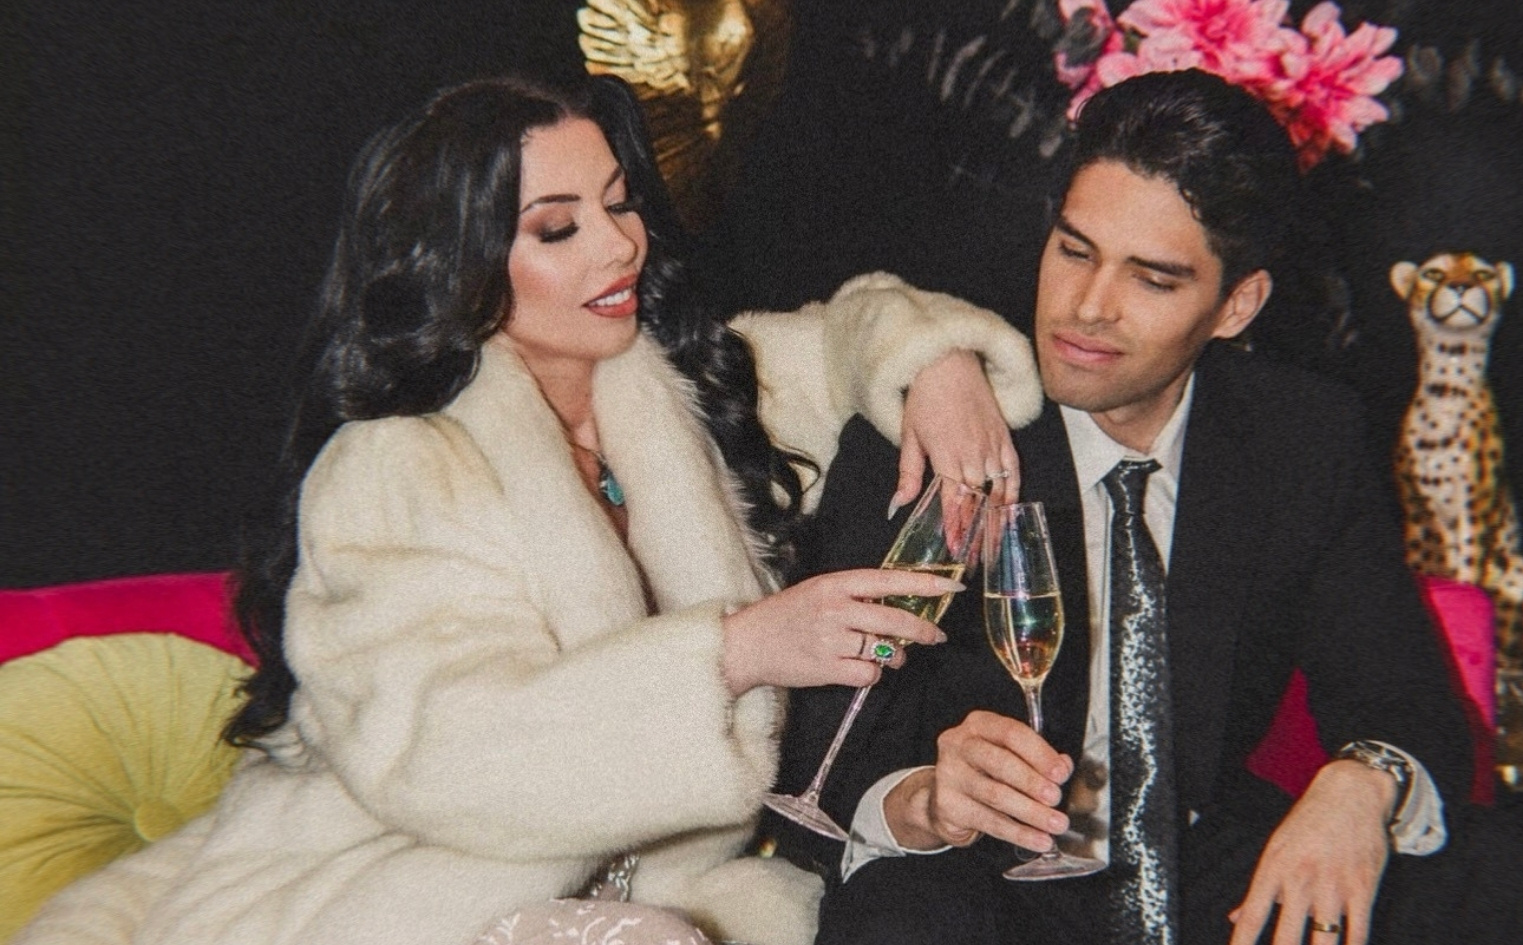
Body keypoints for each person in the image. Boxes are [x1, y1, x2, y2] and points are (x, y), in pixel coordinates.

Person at [14, 73, 1045, 945]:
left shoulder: (687, 387)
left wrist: (934, 366)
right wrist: (735, 651)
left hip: (662, 897)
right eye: (559, 227)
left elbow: (848, 329)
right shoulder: (394, 467)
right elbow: (447, 753)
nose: (619, 247)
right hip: (408, 887)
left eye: (619, 202)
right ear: (461, 264)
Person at [775, 69, 1523, 945]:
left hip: (1206, 864)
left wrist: (1360, 784)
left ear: (1236, 305)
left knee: (1520, 880)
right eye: (1074, 250)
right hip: (977, 873)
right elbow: (821, 740)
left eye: (1152, 280)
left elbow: (1404, 700)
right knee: (901, 922)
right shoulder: (933, 418)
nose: (1086, 307)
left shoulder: (1298, 438)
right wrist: (921, 798)